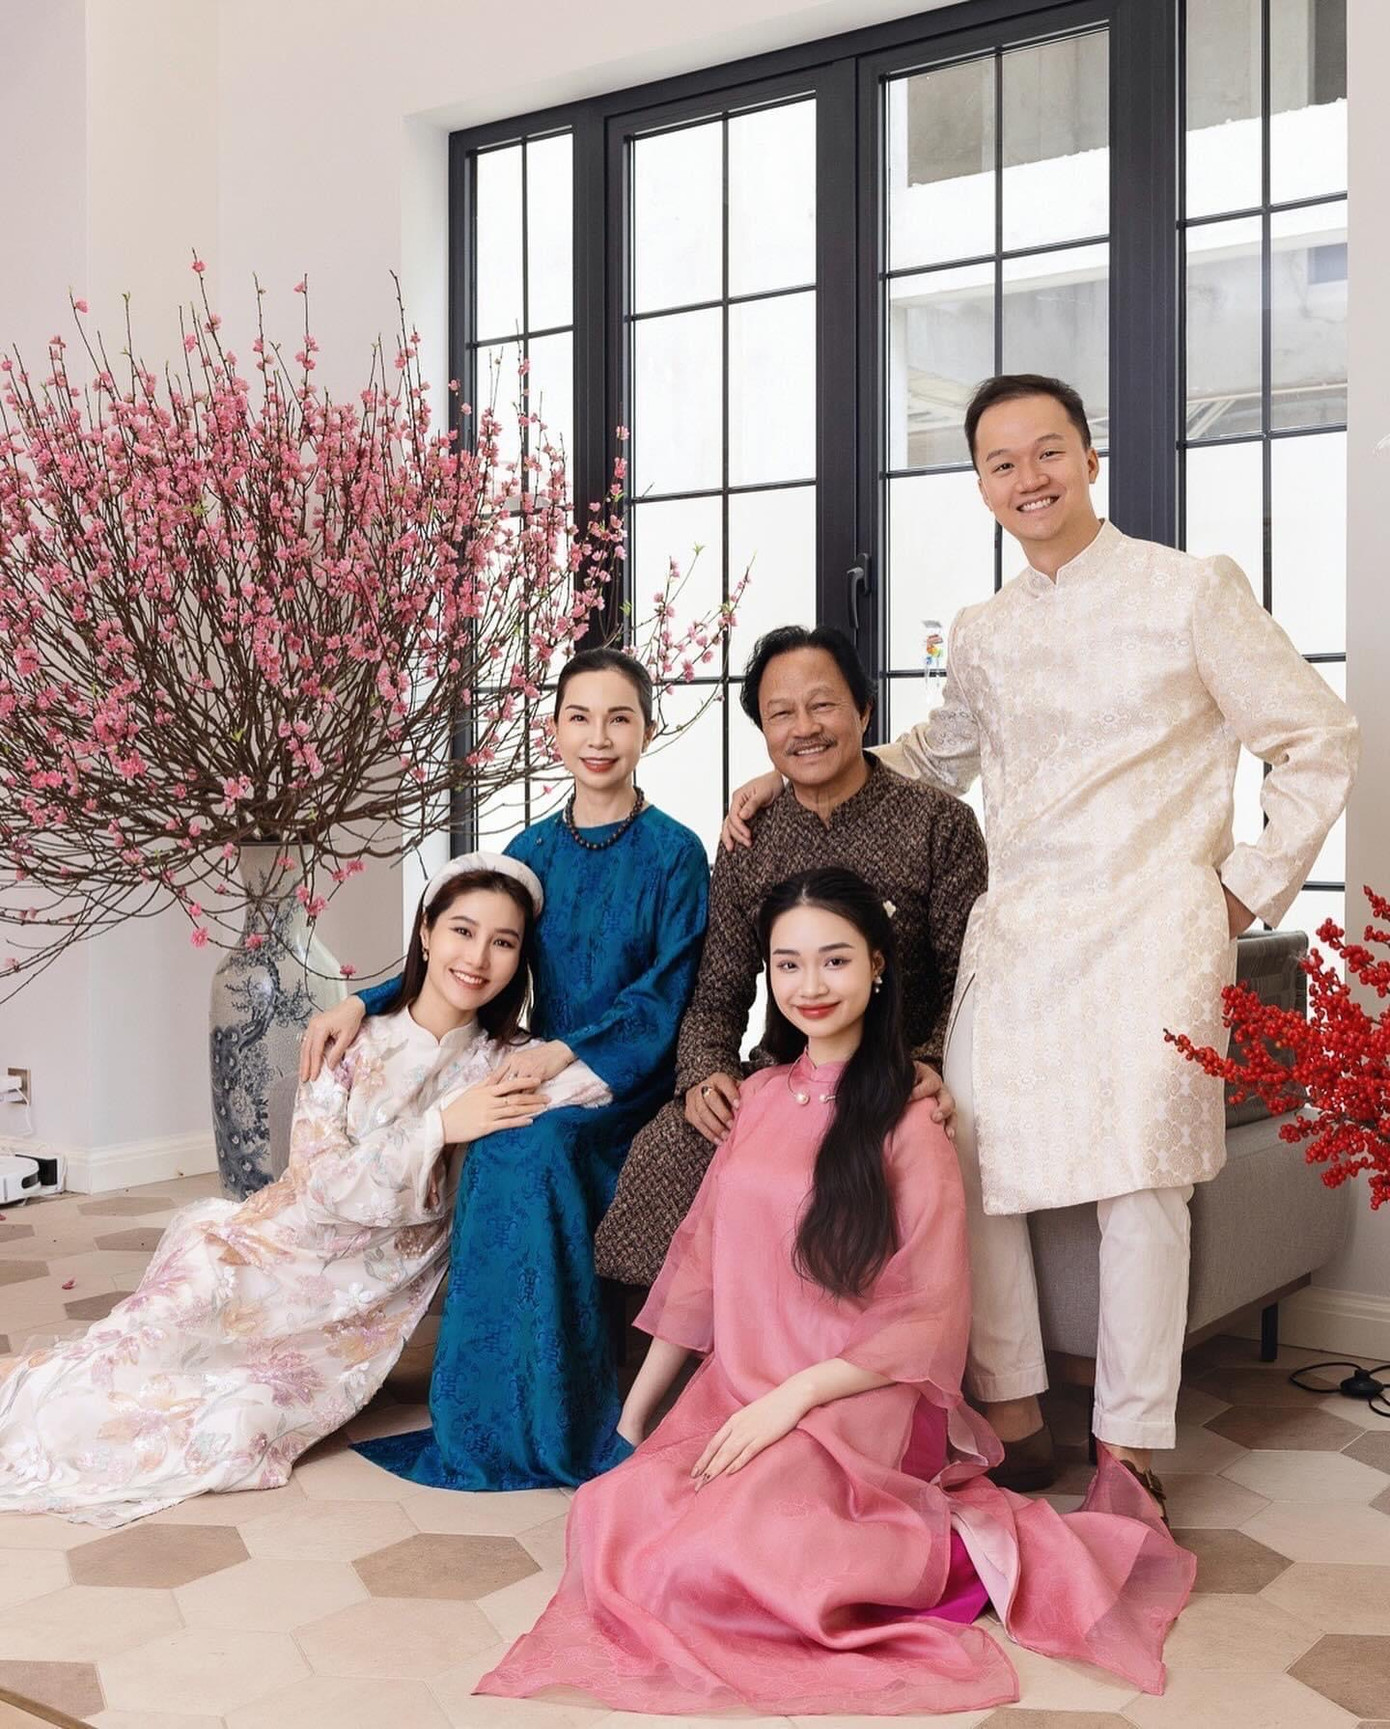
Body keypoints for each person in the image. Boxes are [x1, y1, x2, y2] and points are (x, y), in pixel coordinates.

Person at [721, 374, 1360, 1508]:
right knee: (957, 1146)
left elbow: (1319, 736)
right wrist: (799, 767)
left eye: (1048, 450)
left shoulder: (1191, 588)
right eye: (1001, 462)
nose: (1029, 477)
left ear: (1089, 458)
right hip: (1016, 935)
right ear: (980, 484)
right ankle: (1014, 1412)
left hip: (1155, 926)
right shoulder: (985, 631)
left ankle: (1130, 1451)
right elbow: (935, 753)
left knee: (1144, 1185)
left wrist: (1239, 892)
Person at [477, 869, 1194, 1718]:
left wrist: (794, 1400)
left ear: (878, 965)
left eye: (835, 960)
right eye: (788, 964)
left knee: (744, 1547)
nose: (810, 985)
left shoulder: (912, 1119)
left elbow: (928, 1317)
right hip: (739, 1388)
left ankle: (947, 1548)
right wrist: (631, 1426)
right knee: (614, 1516)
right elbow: (698, 1269)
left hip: (856, 1401)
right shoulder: (756, 1100)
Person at [0, 855, 609, 1527]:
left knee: (238, 1431)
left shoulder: (506, 1064)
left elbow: (603, 1083)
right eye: (462, 931)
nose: (478, 958)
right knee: (106, 1373)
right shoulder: (348, 1041)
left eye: (503, 942)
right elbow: (320, 1184)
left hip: (342, 1321)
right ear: (426, 932)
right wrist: (440, 1125)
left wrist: (559, 1052)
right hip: (255, 1256)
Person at [300, 646, 709, 1488]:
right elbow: (469, 952)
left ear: (648, 729)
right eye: (580, 717)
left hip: (632, 1082)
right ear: (553, 730)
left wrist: (567, 1052)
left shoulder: (676, 852)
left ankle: (563, 1413)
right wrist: (361, 1001)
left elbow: (668, 989)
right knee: (496, 1141)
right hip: (545, 1073)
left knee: (538, 1145)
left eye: (620, 718)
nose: (599, 737)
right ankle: (487, 1416)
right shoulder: (531, 850)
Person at [593, 624, 987, 1288]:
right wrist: (705, 1073)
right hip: (786, 1073)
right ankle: (682, 1332)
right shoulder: (750, 838)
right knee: (672, 1145)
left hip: (896, 1070)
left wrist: (931, 1060)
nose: (804, 728)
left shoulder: (938, 824)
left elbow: (968, 979)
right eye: (781, 714)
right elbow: (716, 994)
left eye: (822, 704)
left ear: (864, 711)